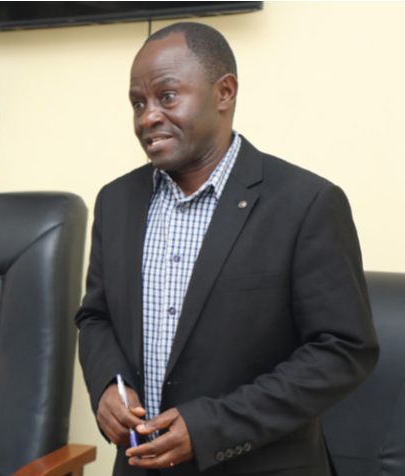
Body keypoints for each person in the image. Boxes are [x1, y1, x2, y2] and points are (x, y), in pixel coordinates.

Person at [75, 23, 379, 475]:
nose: (147, 117)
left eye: (167, 97)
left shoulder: (306, 203)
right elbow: (96, 317)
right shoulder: (115, 201)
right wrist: (108, 387)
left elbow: (343, 350)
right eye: (138, 103)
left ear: (225, 92)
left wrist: (211, 428)